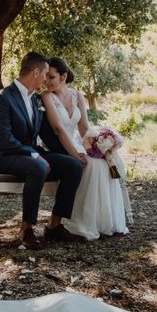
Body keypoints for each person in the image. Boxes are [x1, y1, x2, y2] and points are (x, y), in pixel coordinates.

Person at [0, 52, 85, 250]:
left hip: (33, 153)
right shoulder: (2, 97)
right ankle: (27, 229)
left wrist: (74, 153)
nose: (45, 79)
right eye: (44, 74)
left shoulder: (35, 99)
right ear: (35, 72)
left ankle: (55, 225)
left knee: (73, 167)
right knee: (38, 167)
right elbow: (4, 140)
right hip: (10, 156)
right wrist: (34, 154)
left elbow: (48, 136)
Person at [40, 57, 129, 240]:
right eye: (46, 77)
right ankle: (76, 220)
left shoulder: (76, 95)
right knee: (90, 165)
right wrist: (75, 154)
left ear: (63, 76)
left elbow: (83, 128)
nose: (47, 81)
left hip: (78, 143)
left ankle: (99, 220)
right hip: (59, 146)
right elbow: (59, 129)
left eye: (51, 77)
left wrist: (98, 144)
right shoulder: (47, 96)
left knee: (102, 163)